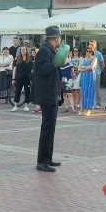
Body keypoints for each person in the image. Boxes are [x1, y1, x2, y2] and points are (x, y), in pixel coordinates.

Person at [33, 26, 63, 172]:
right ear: (55, 38)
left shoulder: (50, 50)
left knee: (50, 128)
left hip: (51, 92)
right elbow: (40, 70)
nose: (60, 40)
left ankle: (47, 158)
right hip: (46, 94)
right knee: (47, 127)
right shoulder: (44, 51)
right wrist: (54, 65)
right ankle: (42, 161)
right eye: (59, 37)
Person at [11, 46, 34, 111]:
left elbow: (32, 69)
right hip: (19, 77)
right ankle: (15, 105)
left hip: (27, 78)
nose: (23, 51)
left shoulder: (30, 59)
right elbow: (14, 69)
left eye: (24, 49)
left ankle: (26, 105)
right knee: (18, 91)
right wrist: (13, 79)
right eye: (21, 50)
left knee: (27, 91)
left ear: (26, 50)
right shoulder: (17, 58)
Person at [79, 47, 98, 115]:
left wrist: (83, 67)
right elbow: (79, 69)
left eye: (89, 51)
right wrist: (86, 68)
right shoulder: (82, 59)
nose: (88, 53)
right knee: (83, 92)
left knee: (90, 92)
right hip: (84, 77)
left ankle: (88, 108)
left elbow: (91, 67)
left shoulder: (94, 59)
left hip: (91, 77)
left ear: (92, 52)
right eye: (87, 51)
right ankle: (82, 107)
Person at [60, 48, 76, 113]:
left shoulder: (70, 64)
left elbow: (73, 73)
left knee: (70, 94)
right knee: (64, 94)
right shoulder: (60, 65)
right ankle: (66, 107)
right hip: (63, 80)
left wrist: (73, 79)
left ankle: (72, 108)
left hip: (68, 80)